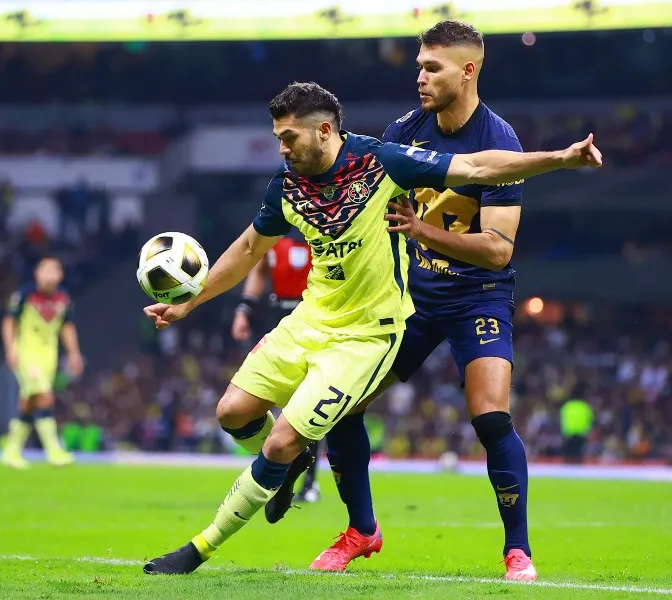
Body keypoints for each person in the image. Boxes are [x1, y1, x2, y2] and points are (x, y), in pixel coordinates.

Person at [141, 81, 602, 575]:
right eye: (278, 137)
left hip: (370, 332)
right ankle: (308, 479)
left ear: (324, 130)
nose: (282, 148)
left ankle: (200, 548)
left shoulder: (382, 161)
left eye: (289, 137)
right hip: (312, 318)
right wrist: (191, 301)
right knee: (232, 413)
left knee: (280, 442)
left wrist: (559, 159)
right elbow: (250, 249)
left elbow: (476, 167)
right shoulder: (286, 182)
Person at [276, 21, 545, 580]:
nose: (419, 77)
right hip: (411, 298)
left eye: (432, 68)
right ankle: (361, 531)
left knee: (491, 416)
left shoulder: (500, 141)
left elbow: (497, 252)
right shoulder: (407, 129)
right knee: (342, 405)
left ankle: (517, 551)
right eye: (419, 65)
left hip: (478, 296)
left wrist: (426, 234)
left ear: (468, 71)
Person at [230, 231, 324, 509]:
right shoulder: (276, 231)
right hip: (277, 318)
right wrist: (244, 309)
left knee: (308, 403)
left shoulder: (325, 228)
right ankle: (276, 470)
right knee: (265, 400)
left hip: (314, 319)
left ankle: (308, 481)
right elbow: (260, 269)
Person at [0, 256, 84, 468]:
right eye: (45, 270)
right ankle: (53, 449)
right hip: (27, 353)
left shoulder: (64, 299)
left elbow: (67, 327)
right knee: (45, 396)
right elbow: (9, 322)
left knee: (30, 401)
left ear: (60, 275)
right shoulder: (24, 295)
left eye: (53, 270)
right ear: (36, 273)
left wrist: (74, 353)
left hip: (49, 356)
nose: (49, 275)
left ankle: (11, 449)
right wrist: (10, 349)